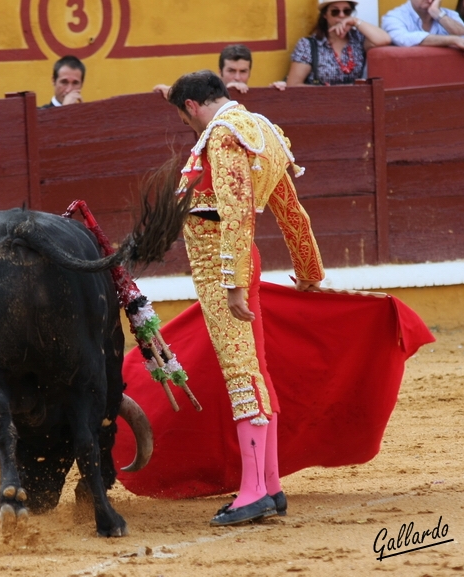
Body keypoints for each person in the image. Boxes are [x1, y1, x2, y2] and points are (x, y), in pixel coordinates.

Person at [166, 70, 325, 526]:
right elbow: (290, 208)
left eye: (183, 117)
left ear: (191, 106)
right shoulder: (264, 130)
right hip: (236, 260)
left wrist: (232, 282)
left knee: (241, 372)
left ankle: (254, 491)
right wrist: (309, 268)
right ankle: (270, 486)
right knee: (256, 369)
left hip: (224, 266)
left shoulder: (222, 135)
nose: (187, 126)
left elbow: (235, 209)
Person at [274, 0, 391, 88]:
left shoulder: (358, 39)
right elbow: (293, 85)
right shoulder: (308, 45)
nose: (341, 15)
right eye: (335, 11)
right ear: (325, 15)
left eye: (346, 11)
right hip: (319, 104)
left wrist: (355, 22)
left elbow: (384, 39)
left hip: (354, 104)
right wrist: (332, 93)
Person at [153, 44, 253, 98]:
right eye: (231, 71)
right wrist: (226, 91)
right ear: (220, 72)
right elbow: (160, 88)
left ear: (249, 73)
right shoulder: (206, 92)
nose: (237, 77)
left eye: (243, 71)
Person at [381, 0, 464, 53]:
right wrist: (453, 40)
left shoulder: (449, 15)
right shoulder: (394, 17)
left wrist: (437, 13)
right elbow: (403, 39)